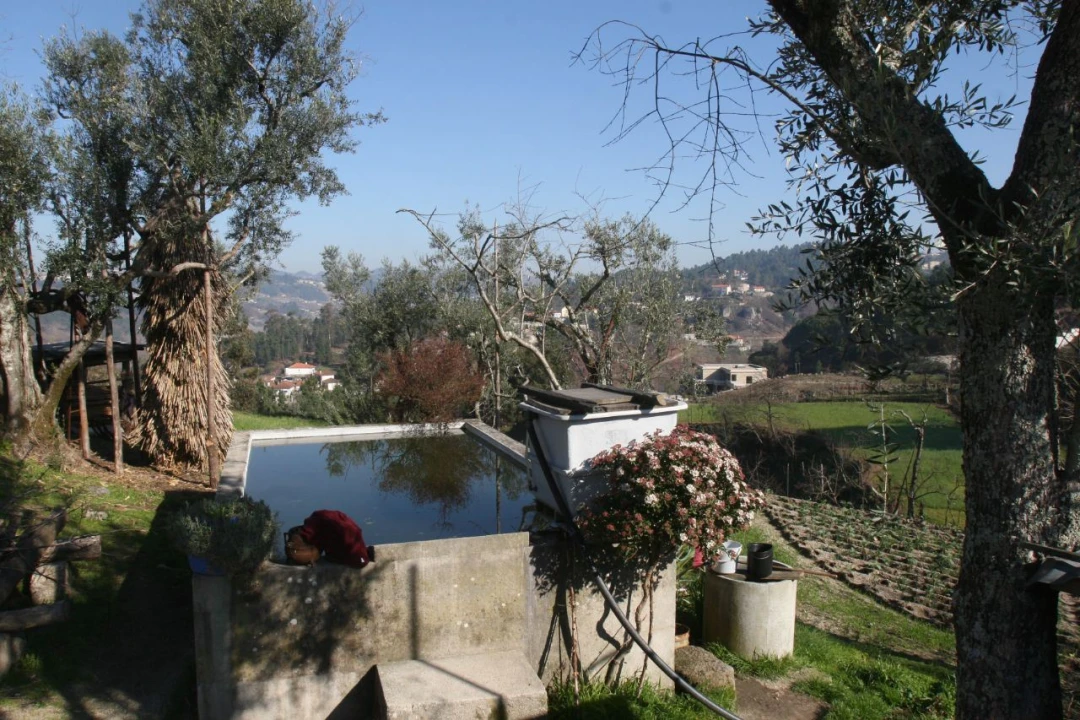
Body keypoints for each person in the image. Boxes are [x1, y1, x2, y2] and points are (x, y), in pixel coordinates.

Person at [285, 510, 372, 567]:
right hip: (358, 552)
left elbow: (309, 535)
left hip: (352, 554)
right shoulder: (325, 518)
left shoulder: (316, 521)